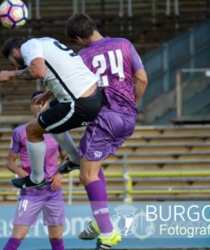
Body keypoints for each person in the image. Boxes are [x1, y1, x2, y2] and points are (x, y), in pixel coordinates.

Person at [61, 13, 148, 250]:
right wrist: (132, 105)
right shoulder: (124, 44)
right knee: (91, 165)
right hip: (128, 119)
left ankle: (107, 233)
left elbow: (71, 91)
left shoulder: (81, 57)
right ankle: (102, 223)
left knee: (85, 174)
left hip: (105, 118)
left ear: (79, 38)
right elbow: (141, 79)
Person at [0, 36, 103, 189]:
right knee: (45, 114)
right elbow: (64, 72)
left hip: (80, 103)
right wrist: (47, 94)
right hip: (90, 95)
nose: (15, 67)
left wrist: (10, 74)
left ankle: (36, 178)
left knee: (32, 130)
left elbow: (38, 71)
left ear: (15, 51)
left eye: (11, 61)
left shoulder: (28, 46)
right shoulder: (47, 42)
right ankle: (74, 159)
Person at [3, 91, 68, 250]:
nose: (40, 105)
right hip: (30, 193)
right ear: (31, 107)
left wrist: (59, 174)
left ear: (48, 105)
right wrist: (19, 171)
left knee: (56, 237)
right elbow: (9, 161)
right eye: (35, 102)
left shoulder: (58, 130)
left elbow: (67, 157)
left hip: (53, 191)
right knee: (17, 237)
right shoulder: (20, 132)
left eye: (43, 102)